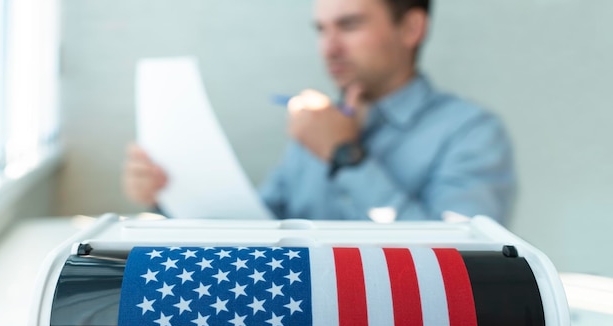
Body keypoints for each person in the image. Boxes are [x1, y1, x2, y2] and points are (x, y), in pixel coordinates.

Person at [123, 0, 516, 224]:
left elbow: (461, 267)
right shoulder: (316, 124)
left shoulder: (472, 133)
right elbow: (256, 229)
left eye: (349, 25)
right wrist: (166, 195)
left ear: (412, 28)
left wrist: (345, 157)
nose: (329, 49)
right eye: (321, 30)